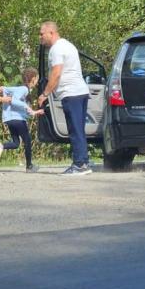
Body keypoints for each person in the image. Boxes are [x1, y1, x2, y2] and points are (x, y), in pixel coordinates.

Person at [37, 21, 92, 175]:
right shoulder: (67, 45)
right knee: (78, 129)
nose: (40, 37)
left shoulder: (56, 49)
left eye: (42, 34)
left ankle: (79, 164)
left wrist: (45, 94)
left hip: (71, 93)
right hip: (80, 91)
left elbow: (56, 73)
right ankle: (83, 162)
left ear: (51, 33)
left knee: (75, 129)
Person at [0, 68, 42, 171]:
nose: (37, 82)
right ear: (33, 78)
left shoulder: (19, 89)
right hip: (17, 119)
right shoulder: (24, 89)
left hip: (10, 119)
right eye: (37, 79)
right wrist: (26, 106)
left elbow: (4, 89)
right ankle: (29, 166)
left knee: (16, 143)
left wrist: (35, 112)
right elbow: (14, 101)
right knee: (27, 140)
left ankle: (1, 146)